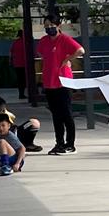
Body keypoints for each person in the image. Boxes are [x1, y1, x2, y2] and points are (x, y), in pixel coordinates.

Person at [36, 14, 84, 155]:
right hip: (49, 81)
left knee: (66, 113)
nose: (49, 28)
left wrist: (68, 59)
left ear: (58, 26)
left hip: (63, 81)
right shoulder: (44, 41)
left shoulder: (64, 39)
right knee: (56, 115)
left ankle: (70, 144)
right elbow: (41, 53)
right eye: (46, 26)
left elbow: (80, 50)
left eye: (52, 25)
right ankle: (59, 143)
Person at [10, 30, 29, 100]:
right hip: (25, 64)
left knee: (20, 80)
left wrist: (11, 62)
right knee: (26, 79)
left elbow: (11, 53)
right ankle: (29, 93)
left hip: (17, 64)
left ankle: (21, 94)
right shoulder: (26, 42)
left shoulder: (15, 43)